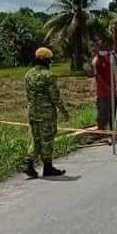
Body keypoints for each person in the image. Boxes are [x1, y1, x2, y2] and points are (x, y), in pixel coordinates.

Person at [24, 47, 70, 178]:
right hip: (46, 115)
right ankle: (47, 167)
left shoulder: (28, 75)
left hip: (33, 112)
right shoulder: (49, 76)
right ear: (46, 60)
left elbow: (28, 95)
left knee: (36, 139)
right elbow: (55, 97)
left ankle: (28, 163)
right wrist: (64, 112)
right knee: (47, 140)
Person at [92, 39, 114, 130]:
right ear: (97, 48)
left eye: (105, 47)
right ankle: (101, 132)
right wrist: (108, 88)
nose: (103, 49)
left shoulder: (110, 58)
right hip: (103, 93)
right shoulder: (96, 60)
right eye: (101, 47)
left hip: (113, 91)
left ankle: (113, 131)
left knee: (113, 113)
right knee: (103, 113)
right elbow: (98, 77)